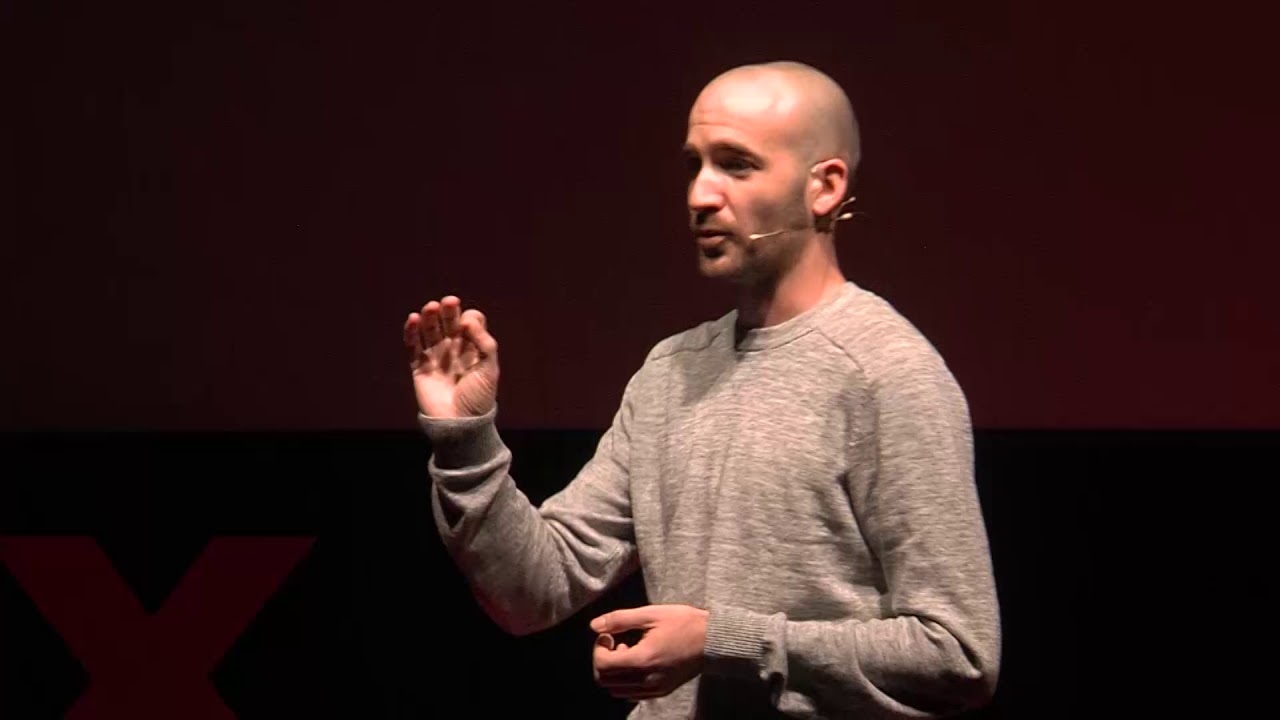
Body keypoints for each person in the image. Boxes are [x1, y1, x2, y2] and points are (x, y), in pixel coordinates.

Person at [402, 61, 1001, 719]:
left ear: (825, 187)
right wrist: (465, 440)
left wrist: (721, 642)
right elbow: (534, 589)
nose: (700, 195)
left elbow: (958, 653)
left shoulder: (886, 373)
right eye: (694, 165)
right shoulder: (671, 373)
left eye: (736, 165)